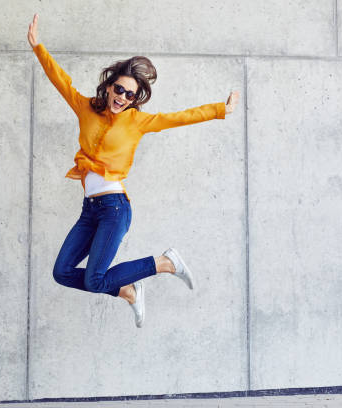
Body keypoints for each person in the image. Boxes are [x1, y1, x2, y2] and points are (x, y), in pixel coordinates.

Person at [27, 13, 239, 328]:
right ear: (108, 87)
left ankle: (165, 263)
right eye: (119, 90)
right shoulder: (85, 108)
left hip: (114, 208)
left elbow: (180, 117)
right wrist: (37, 47)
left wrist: (221, 109)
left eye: (130, 95)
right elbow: (60, 79)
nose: (123, 98)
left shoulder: (137, 122)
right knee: (62, 272)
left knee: (95, 279)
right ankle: (129, 291)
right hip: (90, 211)